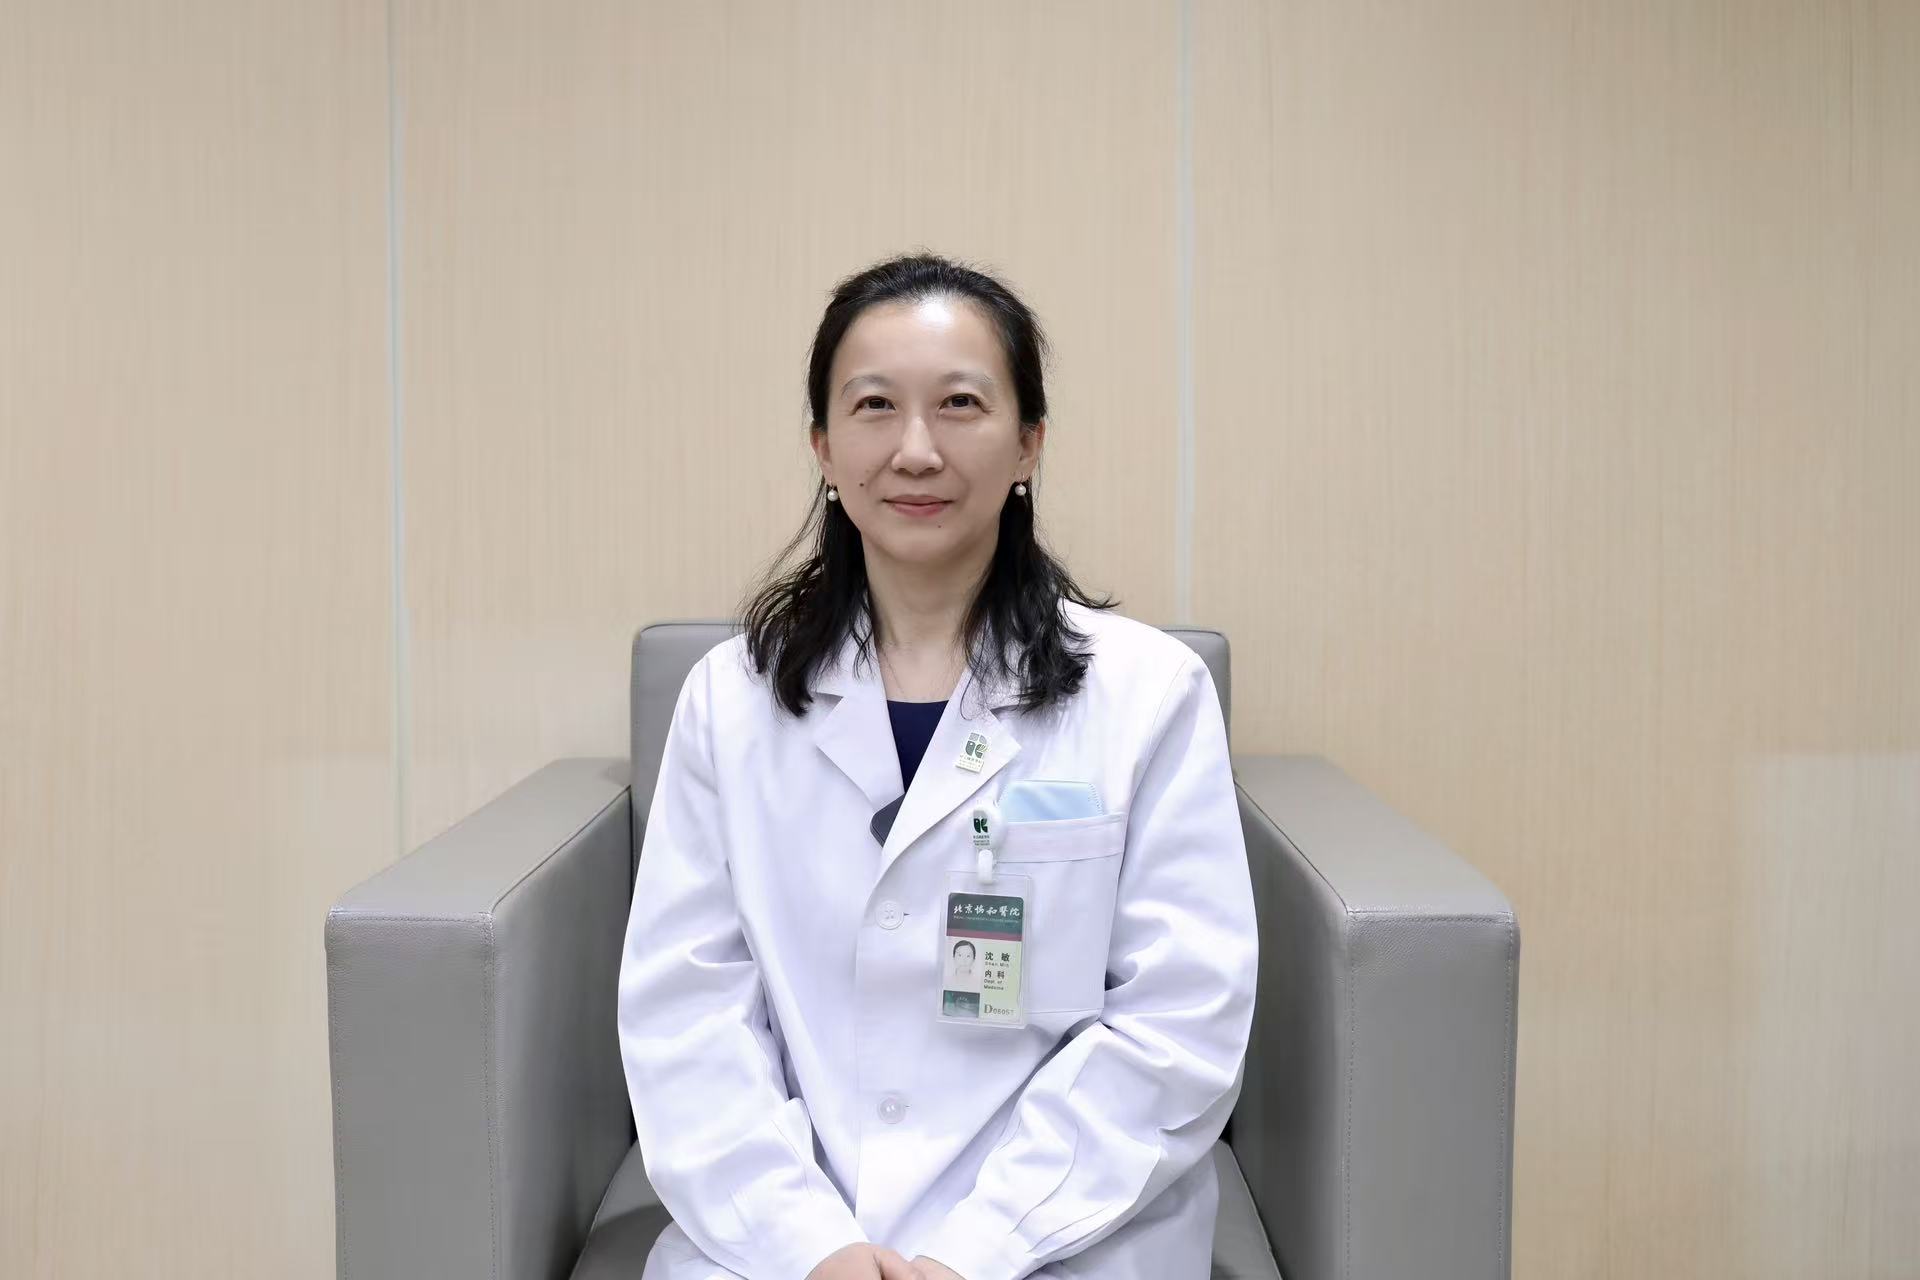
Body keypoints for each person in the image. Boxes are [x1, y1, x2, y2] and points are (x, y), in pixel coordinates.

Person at [618, 252, 1258, 1280]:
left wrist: (983, 1246)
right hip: (785, 1236)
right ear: (824, 447)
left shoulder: (1149, 694)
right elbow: (688, 1016)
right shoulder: (728, 701)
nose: (916, 451)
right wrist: (811, 1244)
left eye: (961, 403)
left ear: (1029, 442)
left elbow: (1179, 1018)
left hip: (1065, 1233)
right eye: (874, 405)